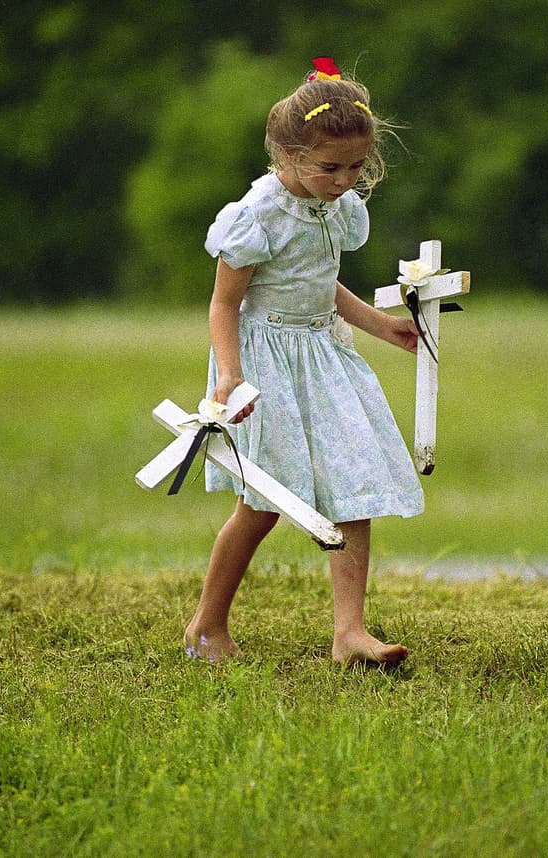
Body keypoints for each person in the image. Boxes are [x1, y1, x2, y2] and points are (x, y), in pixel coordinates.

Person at [183, 57, 423, 667]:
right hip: (263, 364)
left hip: (322, 355)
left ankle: (350, 633)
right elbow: (223, 304)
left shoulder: (334, 206)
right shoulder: (256, 216)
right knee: (263, 504)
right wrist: (230, 375)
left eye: (355, 168)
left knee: (354, 488)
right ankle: (207, 626)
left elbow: (321, 284)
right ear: (287, 154)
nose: (344, 180)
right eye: (330, 167)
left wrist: (380, 326)